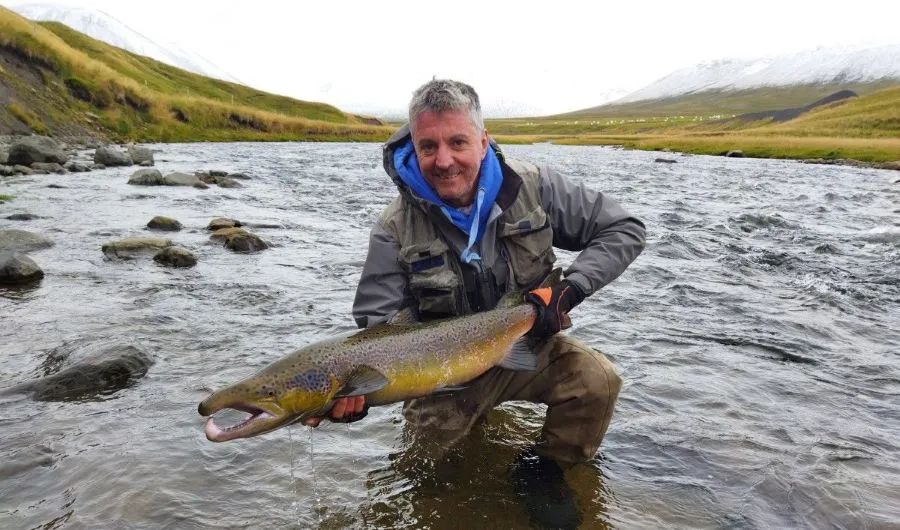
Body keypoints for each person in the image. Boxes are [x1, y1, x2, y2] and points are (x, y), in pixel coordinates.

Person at [306, 79, 645, 469]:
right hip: (440, 376)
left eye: (458, 142)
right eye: (428, 147)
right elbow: (377, 329)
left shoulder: (534, 187)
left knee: (596, 381)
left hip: (523, 339)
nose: (443, 160)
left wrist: (571, 289)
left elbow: (624, 229)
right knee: (432, 476)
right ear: (414, 148)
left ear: (483, 142)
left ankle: (547, 475)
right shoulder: (393, 228)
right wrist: (359, 394)